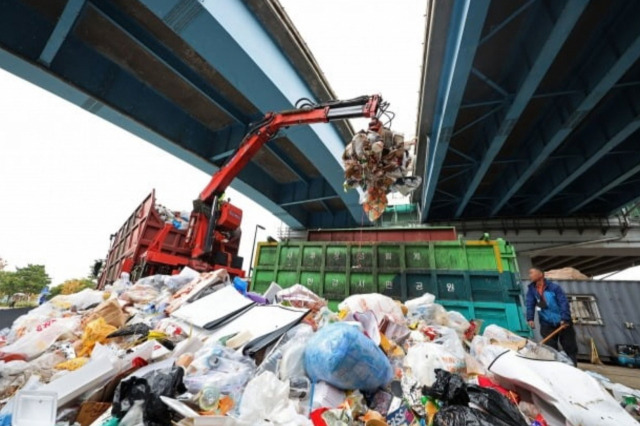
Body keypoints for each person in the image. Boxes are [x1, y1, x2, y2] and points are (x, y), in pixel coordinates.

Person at [525, 267, 578, 365]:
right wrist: (530, 318)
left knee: (569, 347)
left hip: (563, 322)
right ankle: (556, 367)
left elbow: (563, 303)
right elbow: (530, 304)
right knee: (550, 349)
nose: (530, 275)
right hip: (546, 323)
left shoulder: (554, 287)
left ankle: (573, 366)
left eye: (531, 273)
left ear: (540, 274)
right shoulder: (532, 290)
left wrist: (565, 318)